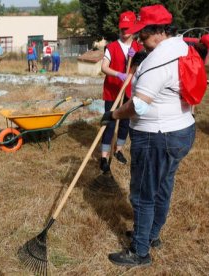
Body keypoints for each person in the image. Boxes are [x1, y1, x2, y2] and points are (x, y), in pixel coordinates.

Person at [101, 4, 196, 266]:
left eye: (141, 34)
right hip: (182, 130)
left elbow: (138, 106)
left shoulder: (156, 62)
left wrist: (114, 115)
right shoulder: (180, 46)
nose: (137, 39)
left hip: (157, 136)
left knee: (143, 193)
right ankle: (151, 234)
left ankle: (140, 251)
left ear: (156, 32)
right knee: (162, 186)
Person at [99, 11, 143, 173]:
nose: (125, 32)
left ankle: (118, 150)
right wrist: (118, 74)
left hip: (130, 91)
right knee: (109, 123)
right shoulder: (111, 47)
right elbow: (104, 67)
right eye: (122, 28)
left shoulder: (139, 48)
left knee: (125, 123)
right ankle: (104, 157)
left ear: (134, 28)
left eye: (128, 28)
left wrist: (137, 58)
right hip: (112, 90)